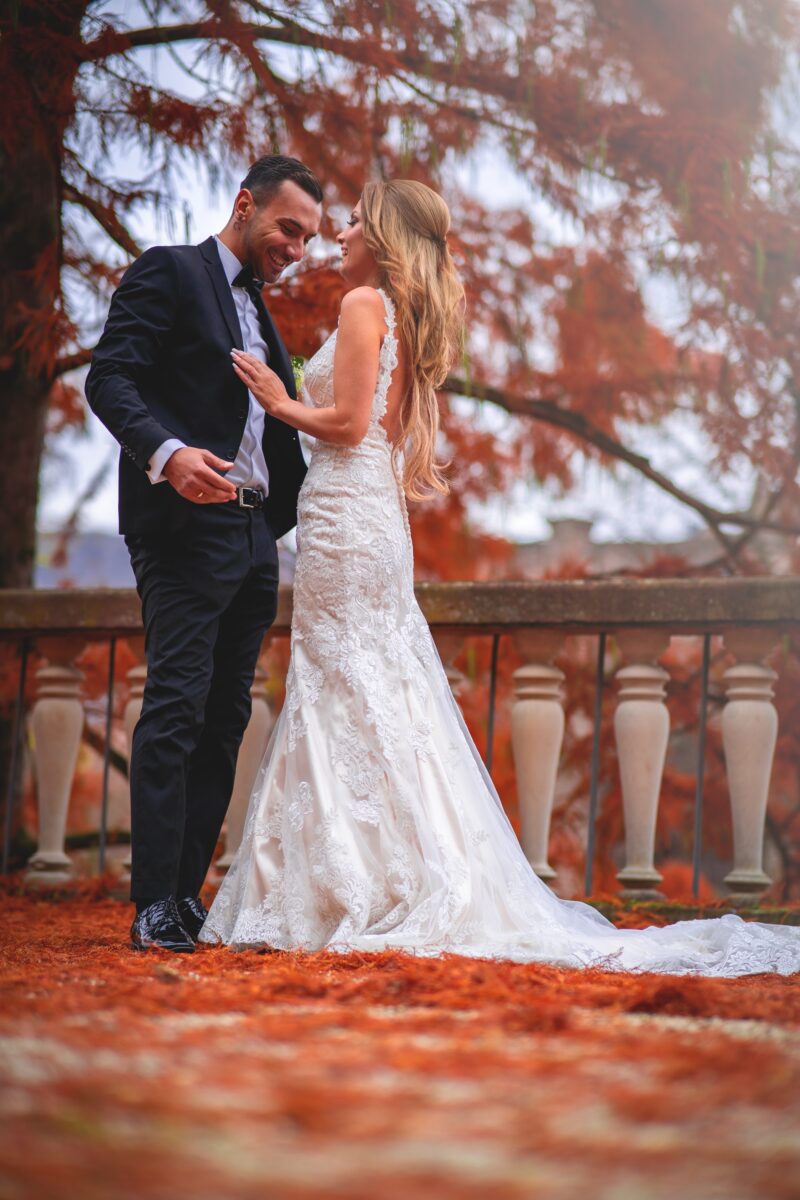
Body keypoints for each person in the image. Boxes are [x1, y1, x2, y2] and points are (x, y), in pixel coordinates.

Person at [200, 179, 799, 977]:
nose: (339, 234)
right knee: (367, 683)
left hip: (348, 515)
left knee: (344, 680)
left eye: (352, 222)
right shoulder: (400, 314)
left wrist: (280, 400)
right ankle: (366, 873)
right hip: (366, 514)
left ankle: (348, 881)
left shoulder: (364, 305)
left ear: (382, 235)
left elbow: (348, 425)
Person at [86, 155, 323, 953]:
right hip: (185, 526)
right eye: (288, 228)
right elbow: (109, 378)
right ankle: (153, 901)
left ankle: (186, 898)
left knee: (225, 720)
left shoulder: (262, 307)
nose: (296, 249)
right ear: (245, 204)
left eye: (308, 238)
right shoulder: (171, 272)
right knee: (176, 707)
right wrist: (168, 454)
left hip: (256, 538)